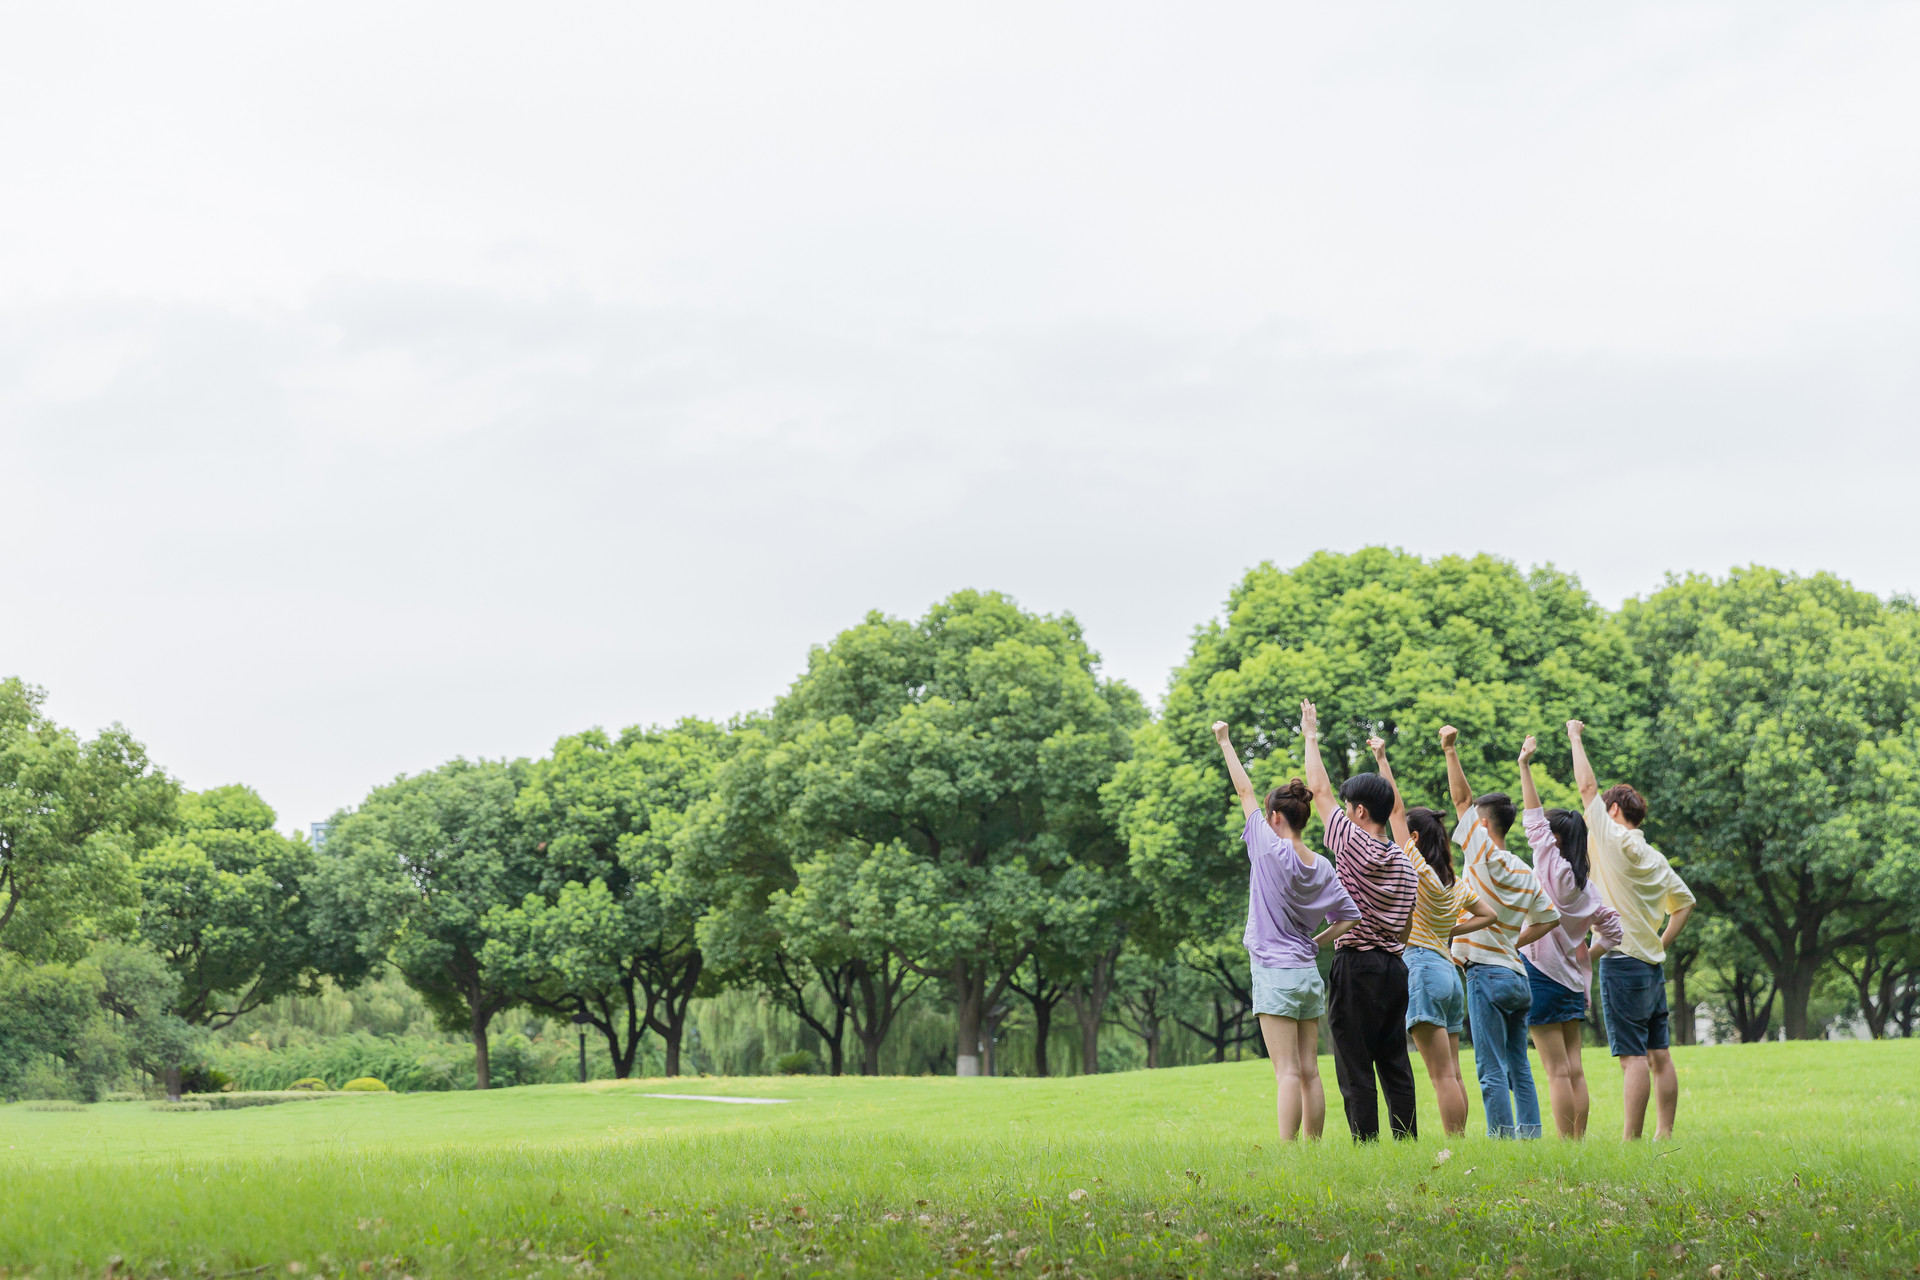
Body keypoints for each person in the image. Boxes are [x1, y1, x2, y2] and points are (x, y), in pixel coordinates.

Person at [1212, 721, 1361, 1141]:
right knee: (1311, 1069)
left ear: (1275, 816)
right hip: (1306, 974)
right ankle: (1313, 1147)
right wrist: (1316, 943)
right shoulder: (1323, 866)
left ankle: (1289, 1150)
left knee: (1287, 1072)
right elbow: (1349, 918)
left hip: (1274, 973)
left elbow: (1243, 793)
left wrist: (1226, 742)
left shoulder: (1267, 846)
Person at [1566, 719, 1696, 1140]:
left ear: (1615, 811)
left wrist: (1575, 736)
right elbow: (1685, 904)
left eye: (1604, 810)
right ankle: (1664, 1134)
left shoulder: (1612, 840)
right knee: (1660, 1054)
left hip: (1623, 964)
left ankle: (1631, 1140)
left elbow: (1587, 788)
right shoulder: (1656, 858)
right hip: (1651, 966)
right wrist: (1658, 943)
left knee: (1633, 1058)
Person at [1298, 700, 1419, 1141]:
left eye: (1349, 807)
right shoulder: (1406, 864)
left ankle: (1366, 1146)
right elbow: (1405, 928)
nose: (1343, 812)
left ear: (1361, 812)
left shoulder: (1353, 844)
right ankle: (1406, 1142)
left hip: (1357, 966)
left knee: (1353, 1062)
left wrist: (1311, 735)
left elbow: (1319, 790)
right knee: (1394, 1062)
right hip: (1394, 967)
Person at [1367, 735, 1495, 1138]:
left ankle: (1453, 1146)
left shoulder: (1417, 868)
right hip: (1449, 973)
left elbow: (1395, 809)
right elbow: (1488, 915)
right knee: (1454, 1073)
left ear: (1417, 840)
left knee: (1440, 1076)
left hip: (1421, 967)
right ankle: (1458, 1143)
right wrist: (1452, 929)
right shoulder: (1454, 884)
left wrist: (1381, 758)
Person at [1439, 725, 1561, 1140]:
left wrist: (1450, 750)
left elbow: (1460, 800)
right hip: (1518, 977)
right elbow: (1549, 920)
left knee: (1490, 1068)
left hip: (1485, 974)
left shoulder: (1484, 856)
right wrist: (1513, 940)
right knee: (1520, 1067)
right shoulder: (1526, 870)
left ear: (1484, 825)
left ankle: (1502, 1140)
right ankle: (1530, 1136)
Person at [1516, 734, 1623, 1140]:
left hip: (1542, 975)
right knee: (1574, 1068)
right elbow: (1615, 931)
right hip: (1573, 984)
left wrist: (1525, 766)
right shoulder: (1587, 890)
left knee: (1555, 1070)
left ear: (1556, 840)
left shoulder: (1551, 869)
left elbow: (1532, 818)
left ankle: (1565, 1146)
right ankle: (1575, 1142)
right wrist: (1587, 956)